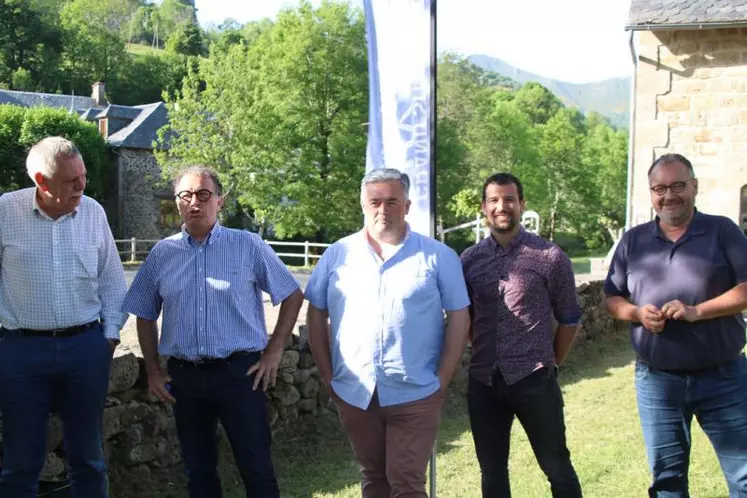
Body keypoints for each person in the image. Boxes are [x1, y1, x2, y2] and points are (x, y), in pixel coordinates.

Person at [122, 165, 303, 498]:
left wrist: (275, 349)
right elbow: (144, 314)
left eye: (204, 194)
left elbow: (292, 294)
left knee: (257, 470)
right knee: (198, 474)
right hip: (185, 380)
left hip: (241, 374)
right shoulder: (163, 254)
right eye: (186, 195)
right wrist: (152, 370)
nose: (195, 202)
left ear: (220, 201)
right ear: (177, 202)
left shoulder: (248, 245)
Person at [304, 168, 471, 498]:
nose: (383, 210)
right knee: (374, 478)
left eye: (392, 201)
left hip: (416, 391)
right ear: (363, 205)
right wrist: (329, 377)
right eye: (375, 201)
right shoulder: (338, 254)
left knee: (406, 483)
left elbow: (459, 317)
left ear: (407, 205)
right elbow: (315, 312)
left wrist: (442, 379)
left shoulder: (438, 257)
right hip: (356, 393)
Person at [604, 153, 747, 498]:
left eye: (678, 185)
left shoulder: (722, 230)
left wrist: (698, 311)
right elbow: (611, 299)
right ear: (651, 193)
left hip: (723, 377)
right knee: (666, 480)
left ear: (694, 187)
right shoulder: (632, 240)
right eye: (659, 188)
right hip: (657, 383)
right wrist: (637, 314)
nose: (669, 195)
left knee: (744, 476)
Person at [0, 136, 127, 498]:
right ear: (41, 181)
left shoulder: (93, 212)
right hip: (20, 353)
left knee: (89, 460)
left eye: (83, 176)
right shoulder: (5, 212)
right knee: (20, 463)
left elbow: (113, 281)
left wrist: (110, 336)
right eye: (72, 180)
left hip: (86, 349)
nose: (82, 186)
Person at [461, 172, 583, 498]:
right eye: (494, 200)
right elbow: (465, 316)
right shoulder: (469, 260)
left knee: (557, 467)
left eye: (509, 199)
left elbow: (570, 317)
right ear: (484, 208)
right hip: (484, 383)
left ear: (522, 204)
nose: (502, 206)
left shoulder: (549, 257)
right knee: (492, 471)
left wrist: (552, 361)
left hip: (534, 379)